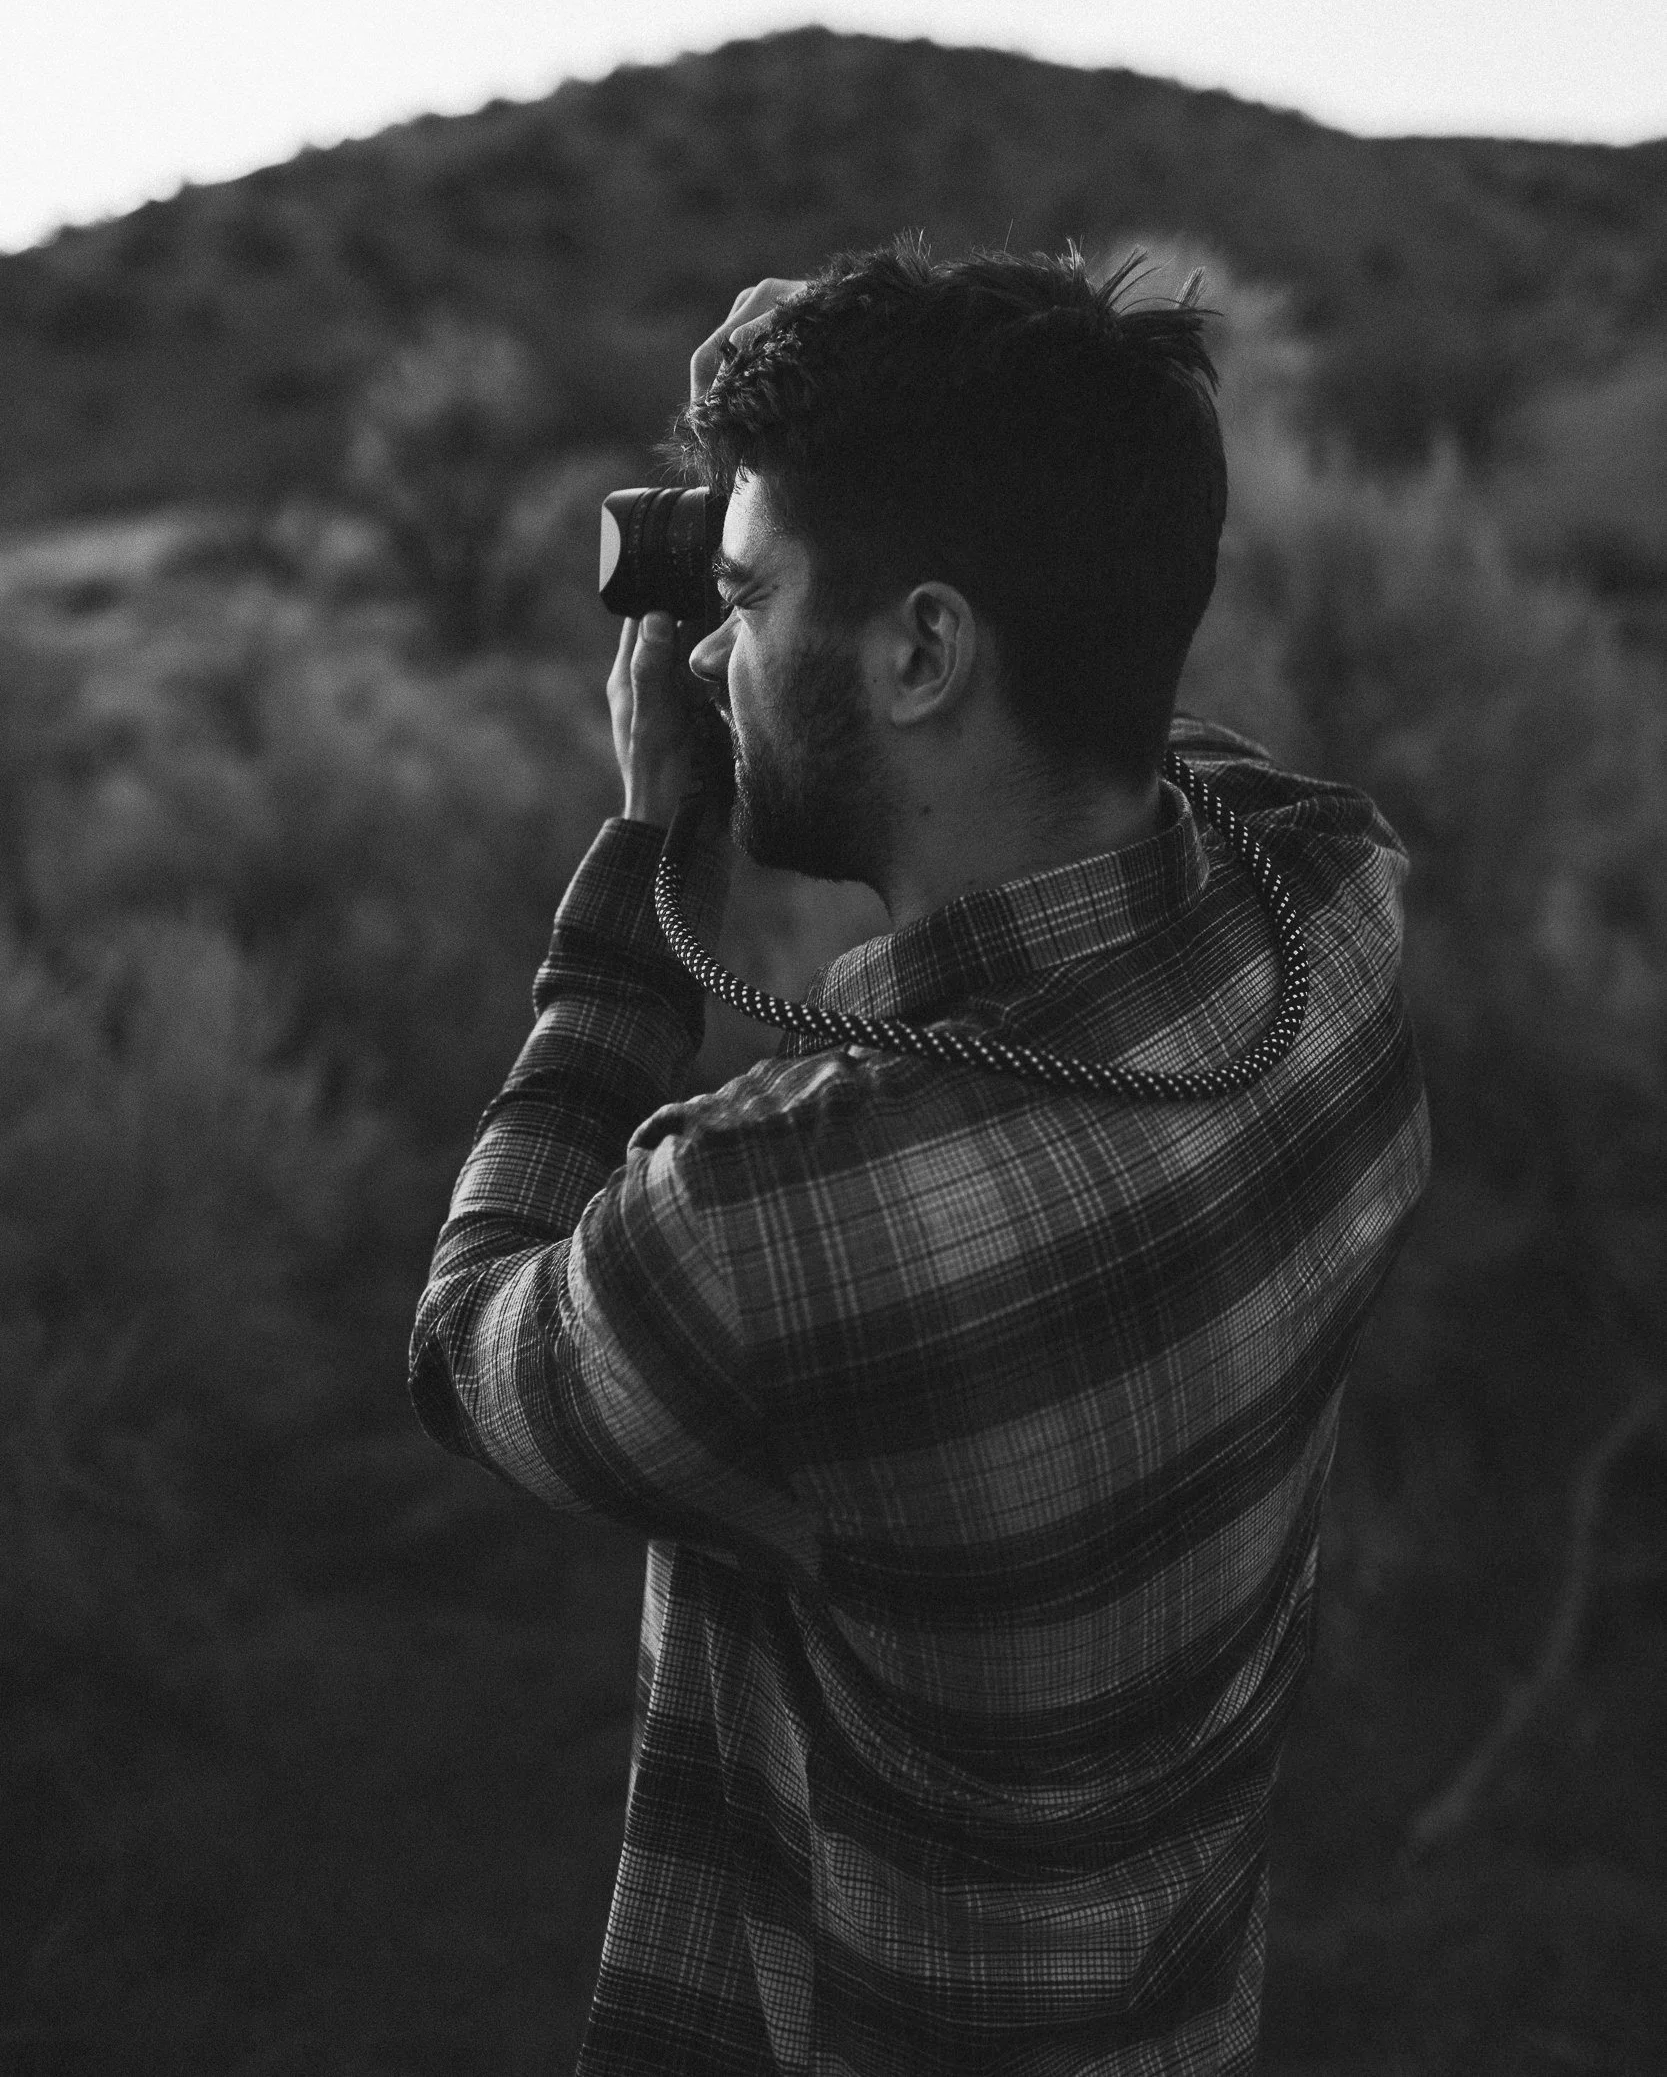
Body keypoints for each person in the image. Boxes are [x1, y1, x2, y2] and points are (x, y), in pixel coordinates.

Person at [409, 241, 1432, 2076]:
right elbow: (1130, 697)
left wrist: (649, 873)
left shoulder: (762, 1229)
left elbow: (473, 1347)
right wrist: (838, 434)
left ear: (922, 648)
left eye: (742, 594)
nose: (709, 649)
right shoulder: (1334, 917)